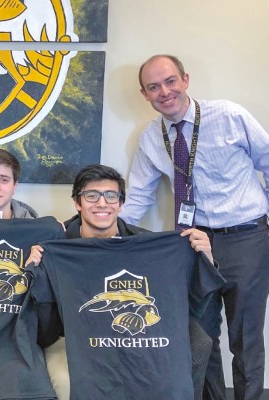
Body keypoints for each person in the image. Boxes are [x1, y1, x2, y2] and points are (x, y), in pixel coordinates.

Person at [120, 54, 269, 400]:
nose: (165, 91)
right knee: (200, 337)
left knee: (245, 336)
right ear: (145, 94)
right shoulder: (151, 137)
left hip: (245, 236)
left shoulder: (229, 115)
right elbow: (139, 196)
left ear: (185, 80)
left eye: (170, 81)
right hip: (192, 242)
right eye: (154, 87)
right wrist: (103, 235)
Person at [28, 164, 217, 400]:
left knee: (199, 342)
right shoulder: (58, 245)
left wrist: (205, 258)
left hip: (142, 332)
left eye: (111, 196)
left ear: (120, 203)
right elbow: (44, 318)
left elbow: (189, 299)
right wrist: (35, 269)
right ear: (77, 203)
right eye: (91, 196)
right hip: (78, 333)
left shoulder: (147, 244)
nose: (102, 203)